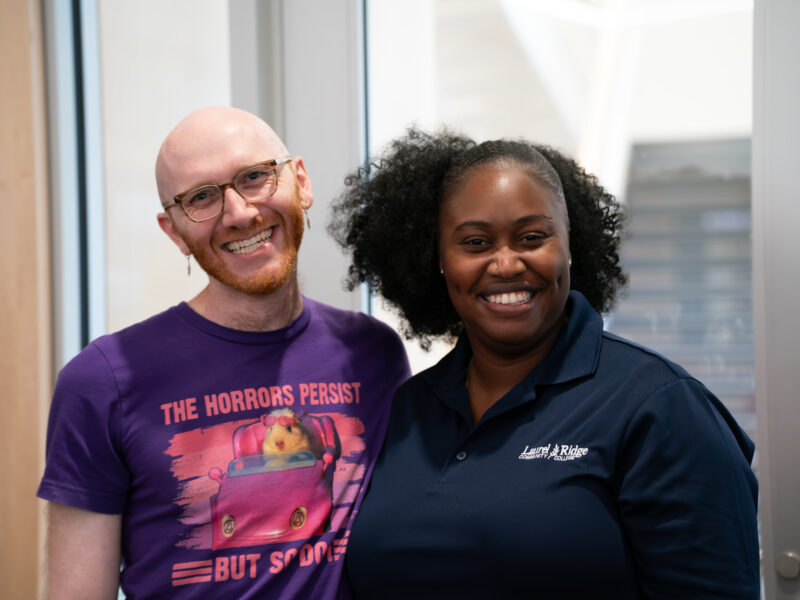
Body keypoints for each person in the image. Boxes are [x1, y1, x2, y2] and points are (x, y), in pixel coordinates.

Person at [329, 128, 759, 599]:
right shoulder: (408, 409)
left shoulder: (660, 406)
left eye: (532, 237)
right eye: (475, 243)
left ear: (569, 245)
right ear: (439, 259)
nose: (507, 264)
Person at [37, 106, 410, 599]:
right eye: (202, 198)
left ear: (300, 182)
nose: (239, 213)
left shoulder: (372, 353)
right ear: (174, 232)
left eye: (255, 177)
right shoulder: (102, 381)